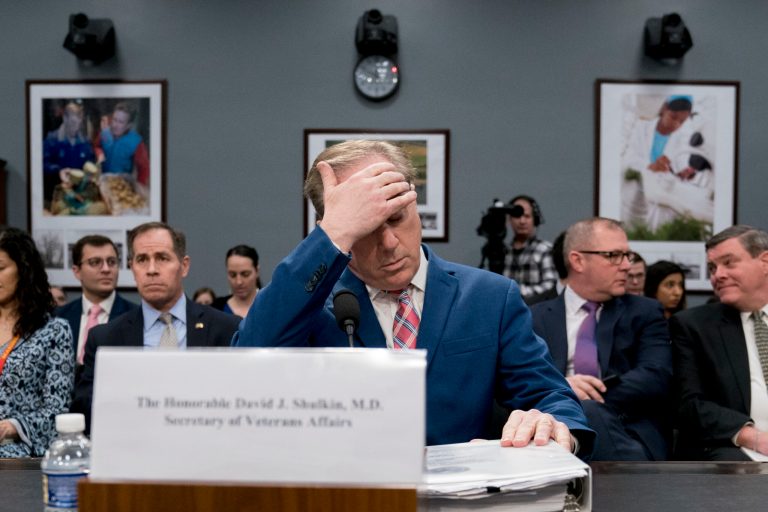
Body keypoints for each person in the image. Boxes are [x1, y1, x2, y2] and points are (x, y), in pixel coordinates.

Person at [233, 140, 594, 454]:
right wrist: (332, 235)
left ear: (414, 202)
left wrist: (551, 427)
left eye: (397, 217)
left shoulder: (490, 297)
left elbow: (551, 397)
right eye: (367, 227)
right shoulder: (308, 303)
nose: (389, 244)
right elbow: (245, 366)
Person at [71, 222, 241, 432]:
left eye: (162, 258)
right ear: (132, 268)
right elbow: (86, 413)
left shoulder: (226, 330)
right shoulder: (106, 338)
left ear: (184, 266)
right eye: (142, 260)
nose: (151, 270)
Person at [530, 217, 672, 461]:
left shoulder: (645, 312)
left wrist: (577, 398)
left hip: (625, 428)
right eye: (614, 255)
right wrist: (564, 387)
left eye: (628, 255)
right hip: (549, 430)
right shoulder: (535, 316)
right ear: (578, 260)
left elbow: (655, 376)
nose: (626, 265)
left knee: (590, 412)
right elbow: (515, 381)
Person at [670, 225, 768, 460]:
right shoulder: (694, 326)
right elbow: (690, 404)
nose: (718, 275)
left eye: (729, 263)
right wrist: (752, 436)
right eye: (713, 268)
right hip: (739, 449)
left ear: (765, 262)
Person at [0, 227, 74, 457]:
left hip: (18, 458)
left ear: (24, 269)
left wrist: (12, 427)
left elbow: (56, 412)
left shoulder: (53, 332)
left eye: (0, 268)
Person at [622, 95, 714, 235]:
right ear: (664, 109)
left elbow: (679, 165)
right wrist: (650, 166)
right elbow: (629, 159)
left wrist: (685, 172)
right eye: (673, 117)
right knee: (636, 229)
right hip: (637, 193)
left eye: (681, 121)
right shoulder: (641, 128)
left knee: (661, 228)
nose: (676, 124)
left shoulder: (682, 137)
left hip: (664, 196)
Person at [55, 235, 137, 370]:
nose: (106, 269)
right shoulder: (58, 317)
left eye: (111, 262)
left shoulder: (135, 317)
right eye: (95, 262)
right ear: (77, 271)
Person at [503, 195, 557, 301]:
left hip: (536, 310)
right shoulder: (503, 252)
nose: (522, 221)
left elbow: (550, 286)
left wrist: (517, 292)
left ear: (535, 220)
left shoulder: (544, 249)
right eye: (517, 216)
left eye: (527, 216)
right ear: (509, 220)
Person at [42, 101, 96, 207]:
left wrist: (91, 174)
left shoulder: (85, 142)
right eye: (71, 123)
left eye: (77, 123)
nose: (74, 128)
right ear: (65, 119)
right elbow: (42, 164)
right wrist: (58, 170)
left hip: (79, 196)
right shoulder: (52, 139)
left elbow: (91, 161)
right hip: (56, 195)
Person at [95, 102, 150, 186]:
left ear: (129, 125)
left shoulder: (137, 142)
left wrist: (139, 186)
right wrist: (100, 153)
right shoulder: (104, 133)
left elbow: (144, 168)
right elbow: (97, 146)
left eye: (120, 122)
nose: (114, 125)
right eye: (114, 119)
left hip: (121, 184)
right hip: (103, 180)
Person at [211, 245, 262, 317]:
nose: (239, 282)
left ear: (257, 271)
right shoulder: (216, 309)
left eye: (245, 274)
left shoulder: (272, 305)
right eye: (233, 275)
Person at [526, 231, 567, 306]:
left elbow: (548, 283)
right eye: (595, 253)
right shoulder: (532, 309)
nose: (522, 221)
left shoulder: (543, 248)